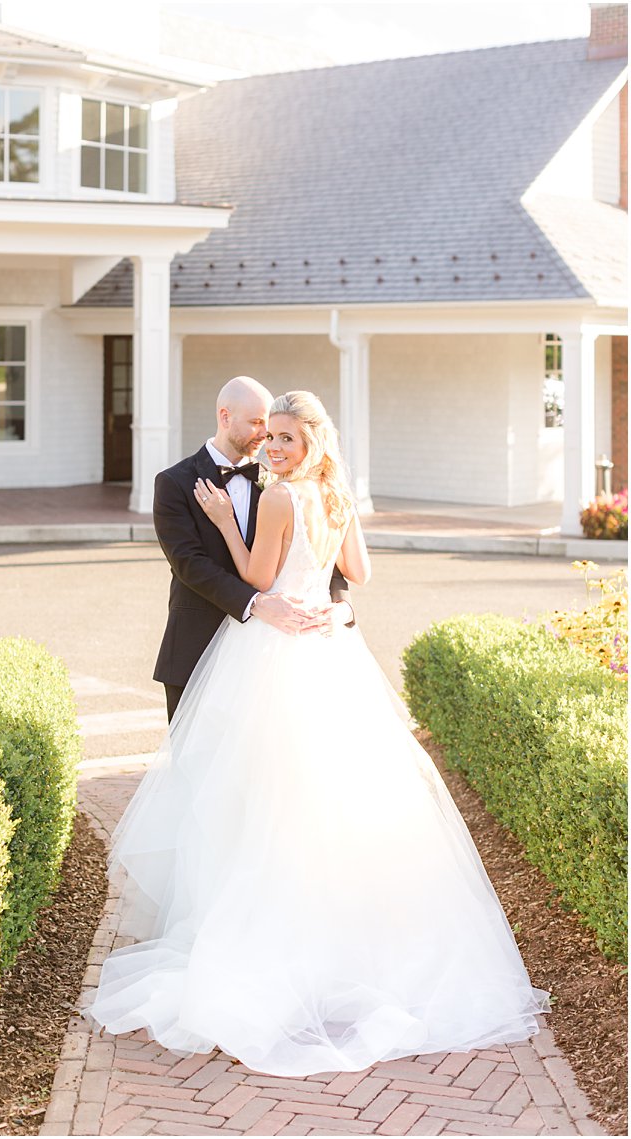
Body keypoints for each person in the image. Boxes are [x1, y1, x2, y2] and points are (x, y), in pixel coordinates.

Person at [89, 390, 548, 1076]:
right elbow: (357, 572)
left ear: (310, 440)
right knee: (331, 796)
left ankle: (271, 939)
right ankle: (345, 944)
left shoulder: (278, 497)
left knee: (267, 800)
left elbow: (253, 575)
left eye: (283, 438)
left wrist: (229, 522)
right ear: (239, 424)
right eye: (267, 435)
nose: (272, 447)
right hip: (331, 659)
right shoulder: (334, 493)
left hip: (275, 655)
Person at [150, 375, 353, 721]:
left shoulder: (280, 480)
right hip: (196, 647)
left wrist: (342, 606)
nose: (265, 435)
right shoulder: (174, 483)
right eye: (258, 423)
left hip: (270, 657)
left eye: (271, 426)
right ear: (225, 417)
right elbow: (189, 564)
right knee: (193, 766)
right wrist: (257, 603)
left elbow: (320, 556)